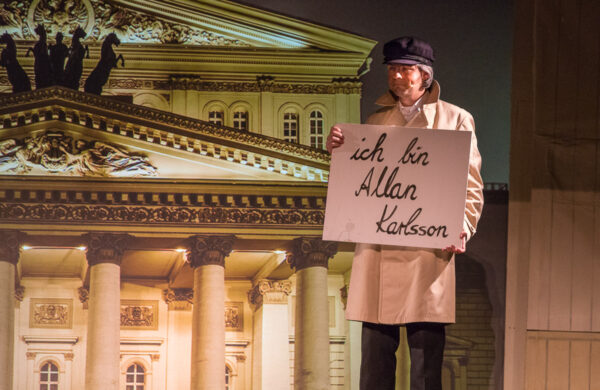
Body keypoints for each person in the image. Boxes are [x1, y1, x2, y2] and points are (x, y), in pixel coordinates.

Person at [326, 36, 484, 390]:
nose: (397, 76)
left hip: (427, 253)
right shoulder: (376, 121)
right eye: (392, 69)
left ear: (425, 75)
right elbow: (359, 180)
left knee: (427, 364)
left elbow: (471, 184)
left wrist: (462, 226)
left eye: (406, 69)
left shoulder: (456, 119)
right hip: (379, 253)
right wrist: (339, 147)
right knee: (375, 364)